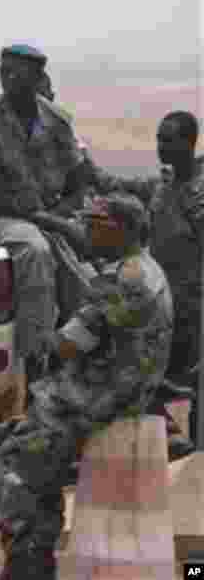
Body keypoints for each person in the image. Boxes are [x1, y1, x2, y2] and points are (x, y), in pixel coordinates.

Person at [0, 192, 173, 580]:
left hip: (94, 398)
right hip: (124, 391)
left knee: (12, 464)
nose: (85, 230)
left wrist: (40, 340)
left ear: (117, 229)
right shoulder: (147, 269)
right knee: (28, 451)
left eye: (92, 224)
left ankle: (28, 562)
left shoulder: (121, 278)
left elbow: (66, 347)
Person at [0, 44, 90, 382]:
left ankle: (81, 362)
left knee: (91, 270)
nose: (6, 78)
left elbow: (79, 183)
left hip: (46, 216)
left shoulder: (58, 122)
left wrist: (59, 215)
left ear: (38, 78)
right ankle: (37, 361)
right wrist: (45, 220)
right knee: (35, 249)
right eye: (3, 70)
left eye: (15, 72)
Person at [84, 110, 203, 452]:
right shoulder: (163, 187)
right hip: (164, 305)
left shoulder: (197, 194)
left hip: (195, 308)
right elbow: (112, 185)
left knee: (190, 385)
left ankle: (192, 453)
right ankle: (174, 437)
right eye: (158, 139)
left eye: (168, 139)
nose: (160, 146)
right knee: (147, 375)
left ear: (188, 142)